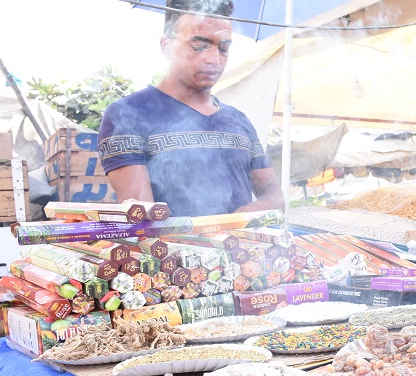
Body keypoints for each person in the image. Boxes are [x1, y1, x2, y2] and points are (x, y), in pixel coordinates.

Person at [97, 0, 285, 217]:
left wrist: (241, 218)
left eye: (223, 48)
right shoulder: (129, 114)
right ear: (167, 46)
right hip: (173, 251)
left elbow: (275, 197)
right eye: (199, 46)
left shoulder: (238, 119)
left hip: (241, 248)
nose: (214, 59)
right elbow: (143, 219)